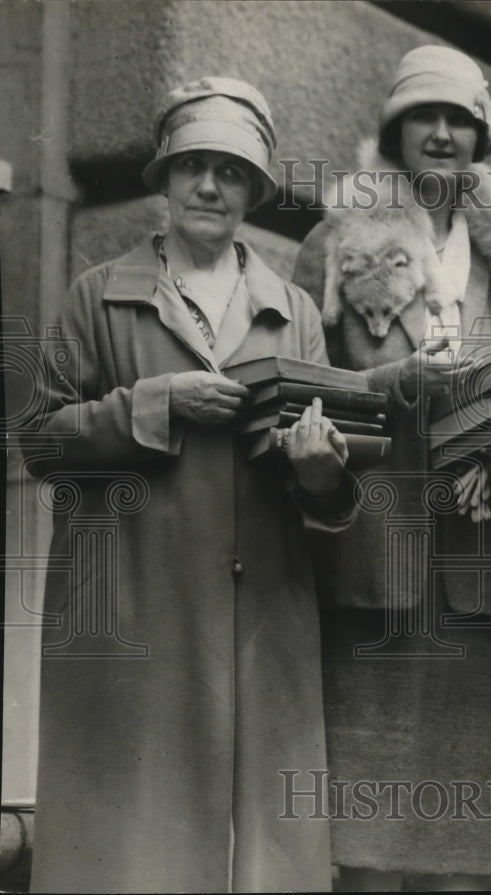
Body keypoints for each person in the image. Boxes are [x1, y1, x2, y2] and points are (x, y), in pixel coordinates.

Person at [26, 77, 356, 893]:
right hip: (134, 612)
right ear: (165, 179)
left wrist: (322, 473)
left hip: (261, 620)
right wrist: (150, 403)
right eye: (193, 166)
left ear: (253, 189)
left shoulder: (295, 309)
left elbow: (331, 483)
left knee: (262, 854)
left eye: (232, 170)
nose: (210, 186)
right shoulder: (96, 295)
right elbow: (38, 438)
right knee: (130, 848)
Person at [291, 46, 491, 891]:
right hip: (375, 549)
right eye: (426, 115)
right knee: (372, 835)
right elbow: (298, 383)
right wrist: (395, 385)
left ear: (483, 135)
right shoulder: (336, 242)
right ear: (395, 130)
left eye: (461, 118)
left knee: (477, 837)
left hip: (484, 554)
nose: (444, 134)